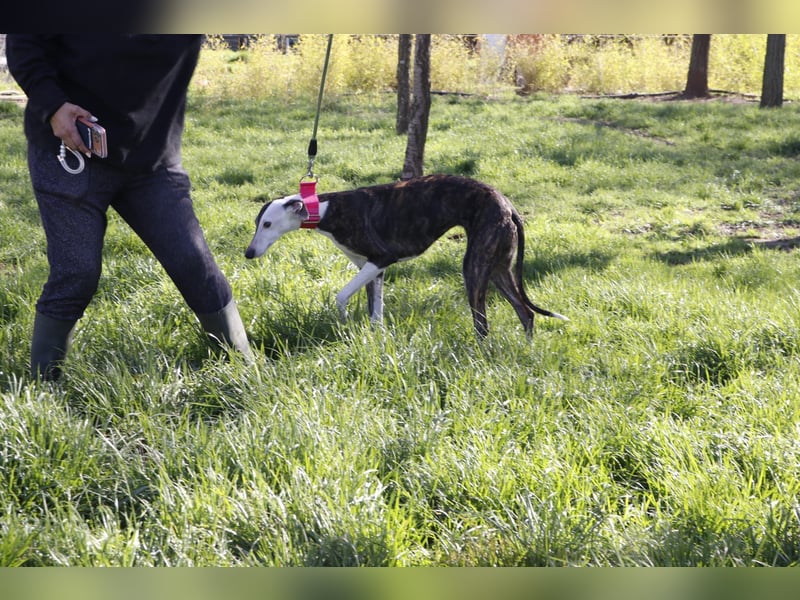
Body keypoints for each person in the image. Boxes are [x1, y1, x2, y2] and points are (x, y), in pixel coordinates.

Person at [6, 34, 252, 380]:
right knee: (76, 273)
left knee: (192, 262)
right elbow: (24, 40)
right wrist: (53, 106)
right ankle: (41, 387)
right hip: (70, 149)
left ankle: (243, 370)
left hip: (152, 159)